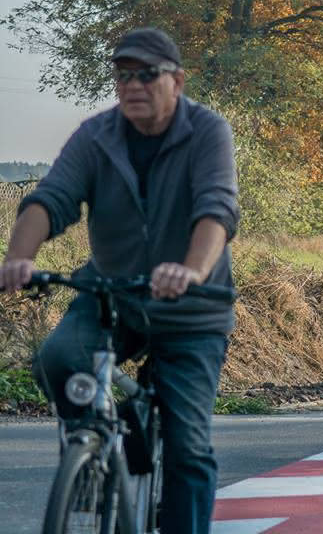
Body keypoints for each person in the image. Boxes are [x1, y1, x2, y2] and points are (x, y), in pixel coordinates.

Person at [0, 28, 239, 534]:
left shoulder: (207, 131)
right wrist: (19, 258)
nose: (133, 85)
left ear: (177, 80)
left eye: (146, 75)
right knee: (59, 358)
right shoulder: (97, 135)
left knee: (187, 449)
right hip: (114, 293)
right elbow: (52, 198)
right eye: (123, 75)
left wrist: (191, 270)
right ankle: (91, 448)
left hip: (192, 307)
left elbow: (216, 209)